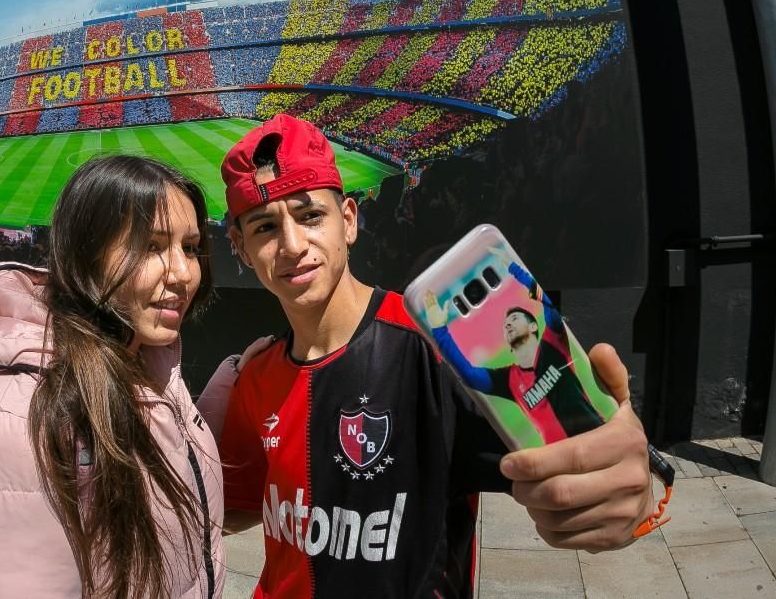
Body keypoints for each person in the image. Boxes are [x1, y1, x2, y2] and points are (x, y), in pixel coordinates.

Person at [198, 113, 656, 598]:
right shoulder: (255, 375)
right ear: (242, 250)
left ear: (348, 221)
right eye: (265, 227)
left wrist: (630, 480)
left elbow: (584, 466)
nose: (292, 245)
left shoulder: (439, 352)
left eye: (311, 216)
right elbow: (247, 505)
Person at [0, 156, 225, 598]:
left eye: (189, 247)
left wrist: (226, 386)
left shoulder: (148, 358)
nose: (184, 273)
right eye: (151, 246)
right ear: (87, 254)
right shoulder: (13, 416)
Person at [423, 249, 606, 444]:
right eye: (505, 324)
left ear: (533, 326)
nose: (508, 324)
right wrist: (438, 328)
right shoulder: (508, 380)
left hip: (599, 438)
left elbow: (547, 304)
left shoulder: (553, 342)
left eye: (515, 319)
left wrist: (514, 269)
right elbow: (468, 375)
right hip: (561, 461)